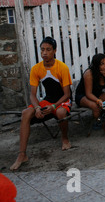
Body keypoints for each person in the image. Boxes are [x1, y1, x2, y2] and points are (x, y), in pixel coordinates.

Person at [10, 37, 73, 171]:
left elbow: (67, 94)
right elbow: (33, 94)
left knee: (61, 112)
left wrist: (54, 106)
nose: (44, 53)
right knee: (26, 113)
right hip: (48, 99)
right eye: (42, 49)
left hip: (62, 100)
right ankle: (22, 154)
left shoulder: (62, 67)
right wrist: (38, 107)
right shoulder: (36, 69)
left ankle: (65, 138)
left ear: (54, 51)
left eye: (48, 50)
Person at [75, 53, 105, 135]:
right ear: (97, 66)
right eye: (102, 64)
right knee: (95, 106)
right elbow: (88, 93)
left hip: (97, 94)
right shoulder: (89, 73)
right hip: (83, 95)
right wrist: (98, 100)